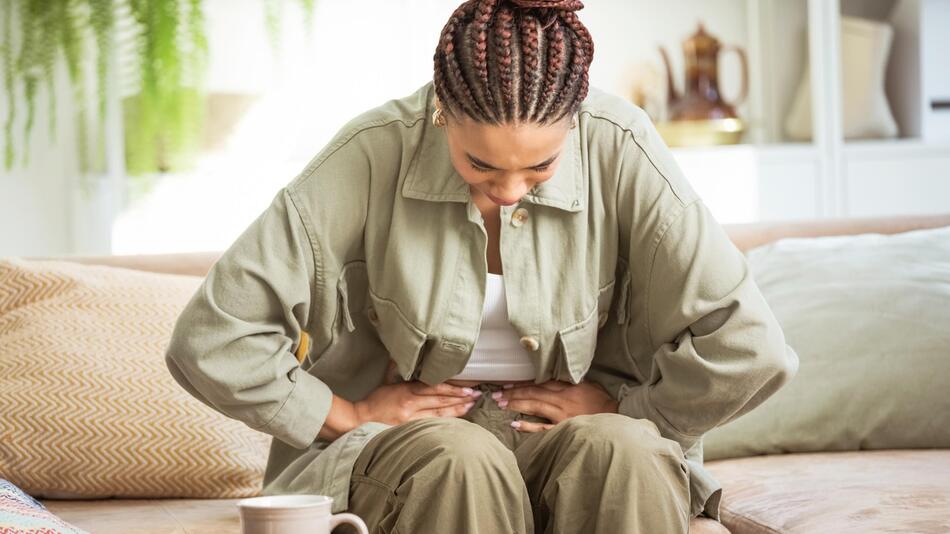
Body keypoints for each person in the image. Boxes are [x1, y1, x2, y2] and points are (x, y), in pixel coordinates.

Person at [164, 1, 799, 532]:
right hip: (417, 456)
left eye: (541, 167)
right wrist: (345, 414)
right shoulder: (370, 152)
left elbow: (748, 346)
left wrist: (634, 412)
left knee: (621, 451)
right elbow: (213, 338)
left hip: (583, 440)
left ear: (574, 123)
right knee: (459, 458)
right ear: (442, 109)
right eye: (482, 165)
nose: (512, 190)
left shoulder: (619, 143)